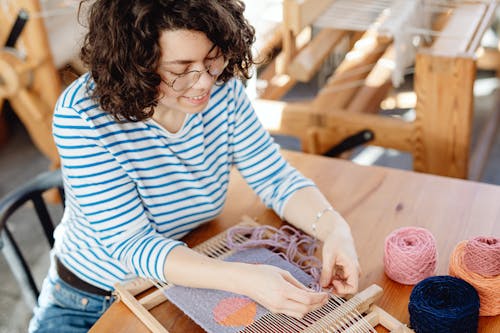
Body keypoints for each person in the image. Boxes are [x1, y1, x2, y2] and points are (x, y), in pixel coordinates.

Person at [29, 1, 361, 332]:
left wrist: (334, 228)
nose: (204, 83)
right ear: (137, 62)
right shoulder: (83, 117)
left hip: (183, 275)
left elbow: (273, 176)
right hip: (93, 299)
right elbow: (133, 245)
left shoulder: (221, 88)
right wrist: (243, 280)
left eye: (212, 59)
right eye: (180, 69)